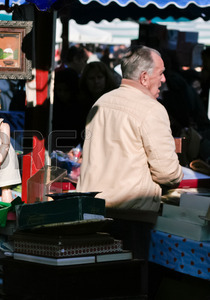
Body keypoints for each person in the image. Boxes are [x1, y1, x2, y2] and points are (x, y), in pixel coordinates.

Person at [77, 46, 183, 261]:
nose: (163, 79)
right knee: (129, 285)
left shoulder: (101, 102)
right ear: (144, 77)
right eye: (160, 73)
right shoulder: (152, 109)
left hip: (93, 211)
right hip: (130, 218)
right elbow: (168, 173)